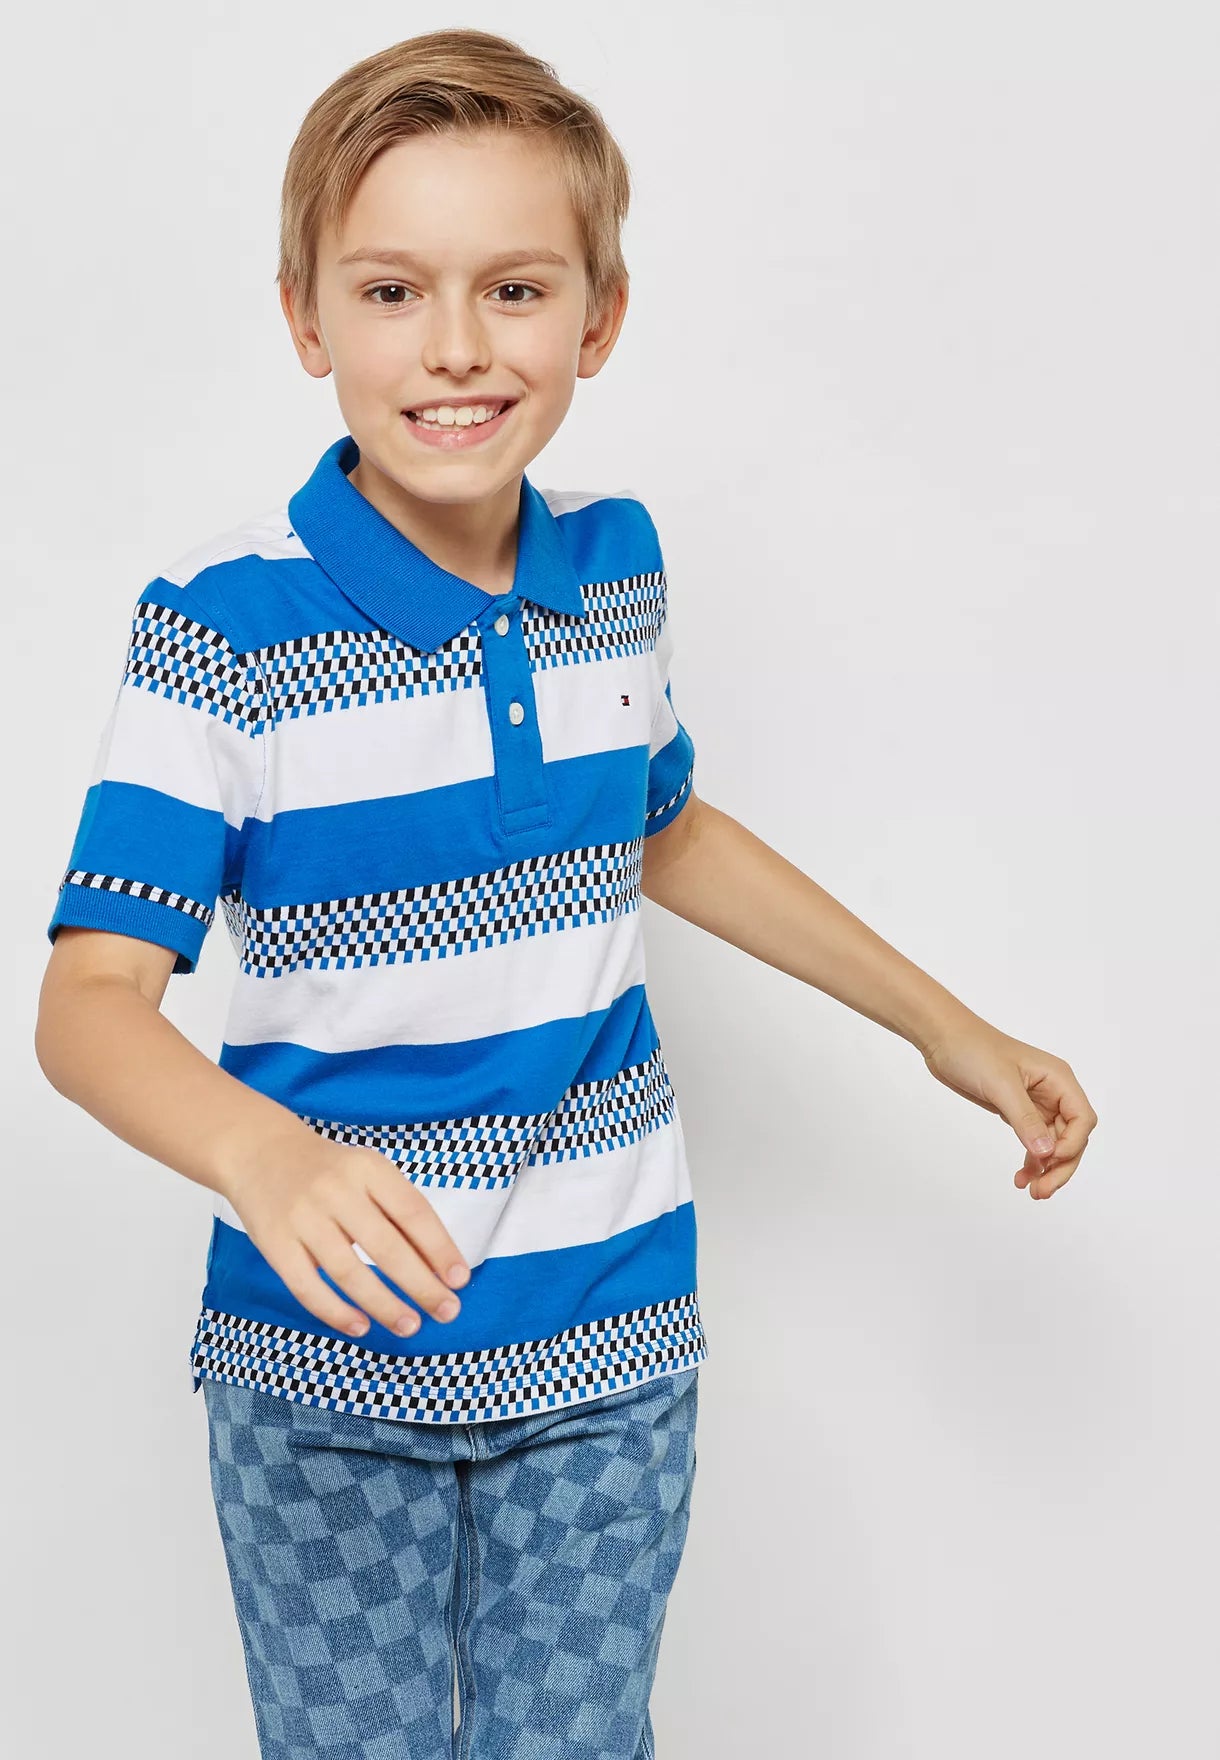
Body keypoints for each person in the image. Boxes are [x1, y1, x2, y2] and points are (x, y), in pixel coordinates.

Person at [34, 27, 1098, 1760]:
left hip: (611, 1340)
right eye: (392, 292)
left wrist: (946, 1031)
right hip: (324, 1375)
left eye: (515, 289)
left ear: (599, 317)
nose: (456, 347)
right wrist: (259, 1154)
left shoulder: (617, 571)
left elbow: (659, 832)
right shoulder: (220, 630)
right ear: (306, 318)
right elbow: (86, 1008)